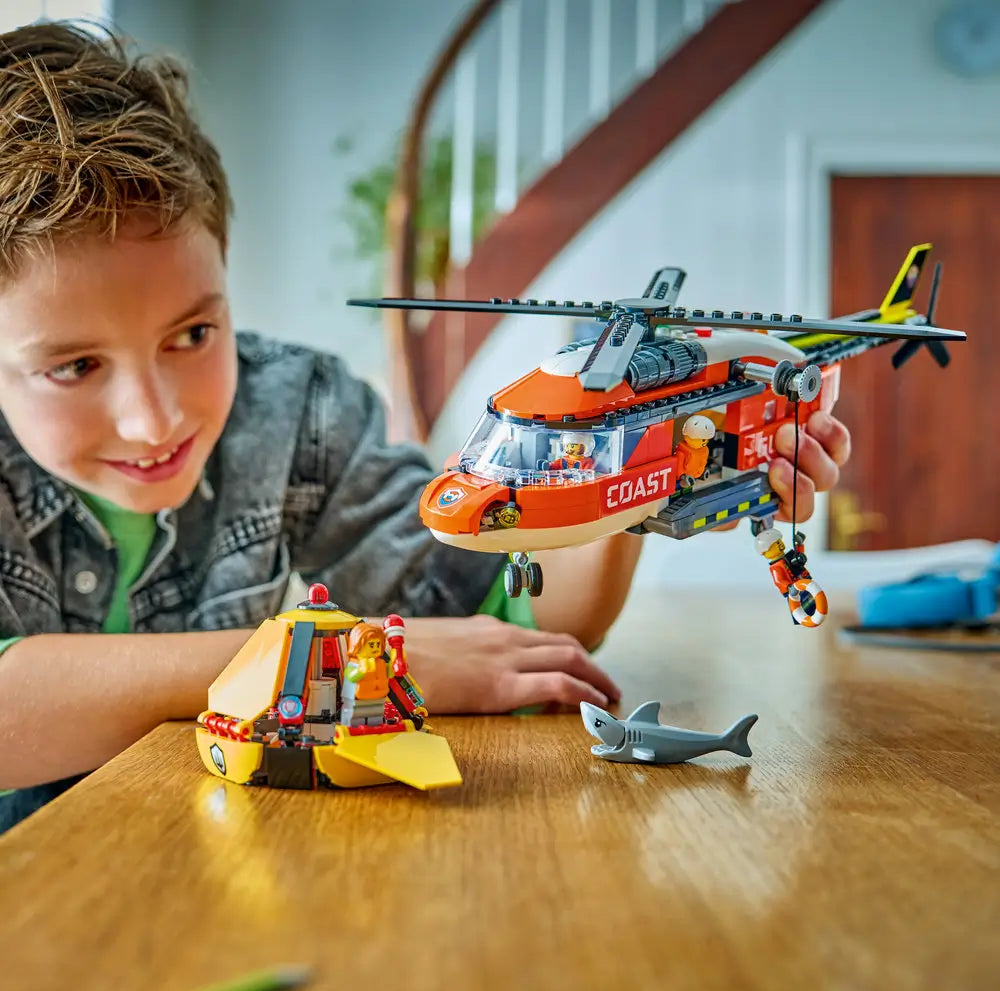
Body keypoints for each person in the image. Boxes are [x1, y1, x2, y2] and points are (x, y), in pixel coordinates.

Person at [0, 22, 851, 828]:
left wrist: (631, 479)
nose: (155, 418)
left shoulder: (298, 410)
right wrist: (360, 660)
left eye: (193, 334)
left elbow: (519, 624)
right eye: (74, 366)